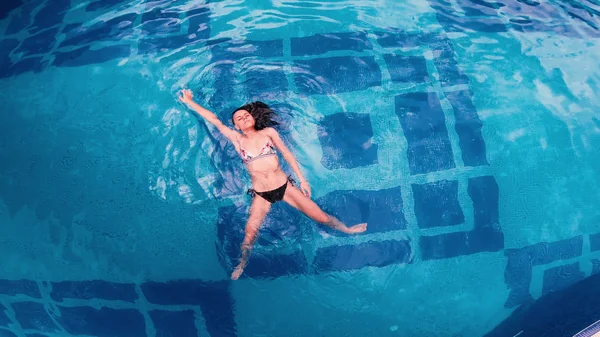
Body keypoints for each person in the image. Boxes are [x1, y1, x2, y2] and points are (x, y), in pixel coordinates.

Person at [178, 89, 367, 280]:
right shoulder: (237, 140)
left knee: (322, 218)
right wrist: (190, 102)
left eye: (245, 115)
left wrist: (303, 180)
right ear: (235, 126)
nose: (243, 118)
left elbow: (287, 154)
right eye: (238, 118)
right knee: (250, 233)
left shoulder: (268, 132)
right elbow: (214, 120)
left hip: (286, 188)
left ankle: (347, 229)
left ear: (253, 117)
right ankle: (241, 264)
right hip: (261, 194)